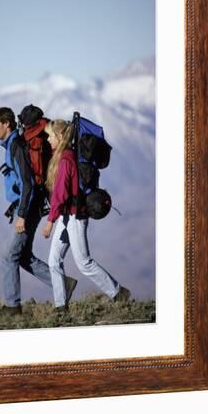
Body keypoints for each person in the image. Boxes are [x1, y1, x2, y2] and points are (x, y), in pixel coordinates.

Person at [0, 107, 77, 315]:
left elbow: (27, 184)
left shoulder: (17, 147)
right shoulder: (13, 145)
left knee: (10, 256)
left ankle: (12, 306)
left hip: (29, 207)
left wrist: (21, 215)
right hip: (31, 205)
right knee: (23, 255)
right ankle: (62, 285)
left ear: (6, 124)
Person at [42, 119, 130, 312]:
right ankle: (60, 307)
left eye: (49, 135)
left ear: (58, 136)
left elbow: (60, 194)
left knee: (83, 262)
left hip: (74, 216)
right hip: (67, 216)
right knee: (54, 260)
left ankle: (118, 292)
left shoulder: (65, 160)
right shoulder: (66, 156)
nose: (47, 139)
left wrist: (50, 222)